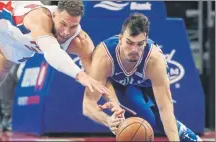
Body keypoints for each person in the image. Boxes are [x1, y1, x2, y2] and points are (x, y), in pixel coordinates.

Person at [0, 1, 111, 139]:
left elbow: (97, 77)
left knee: (1, 68)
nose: (66, 32)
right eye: (63, 24)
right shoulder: (40, 18)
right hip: (10, 20)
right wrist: (80, 75)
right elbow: (52, 53)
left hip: (27, 42)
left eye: (73, 26)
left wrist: (113, 102)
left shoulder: (81, 41)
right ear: (54, 15)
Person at [82, 13, 202, 142]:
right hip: (121, 86)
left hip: (147, 83)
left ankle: (192, 139)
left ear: (146, 41)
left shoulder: (154, 60)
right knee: (137, 125)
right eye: (129, 42)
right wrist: (107, 120)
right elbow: (88, 104)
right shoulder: (104, 57)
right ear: (121, 39)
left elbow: (165, 109)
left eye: (140, 44)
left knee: (162, 121)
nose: (134, 49)